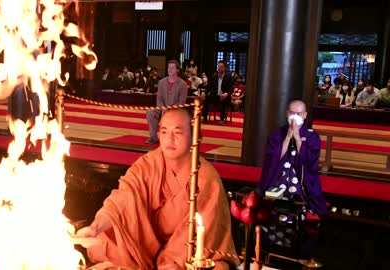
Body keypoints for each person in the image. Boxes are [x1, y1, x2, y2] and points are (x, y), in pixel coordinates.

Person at [75, 109, 239, 269]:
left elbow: (203, 236)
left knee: (207, 266)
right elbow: (123, 198)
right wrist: (95, 227)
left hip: (182, 252)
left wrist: (169, 262)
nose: (169, 139)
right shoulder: (149, 164)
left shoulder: (205, 179)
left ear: (195, 136)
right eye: (164, 131)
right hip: (146, 246)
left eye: (178, 132)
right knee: (104, 240)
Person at [257, 100, 327, 257]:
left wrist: (297, 138)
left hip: (300, 180)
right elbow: (271, 160)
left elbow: (310, 162)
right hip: (279, 177)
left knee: (300, 202)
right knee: (272, 201)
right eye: (292, 113)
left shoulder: (312, 136)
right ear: (287, 113)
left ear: (305, 115)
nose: (295, 117)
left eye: (299, 114)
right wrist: (288, 138)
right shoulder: (277, 133)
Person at [145, 60, 188, 144]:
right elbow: (159, 99)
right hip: (162, 108)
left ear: (177, 70)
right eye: (169, 68)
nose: (170, 70)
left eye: (172, 68)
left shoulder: (183, 84)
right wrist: (163, 108)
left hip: (176, 110)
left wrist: (170, 109)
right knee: (150, 112)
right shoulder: (161, 82)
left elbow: (181, 102)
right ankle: (153, 137)